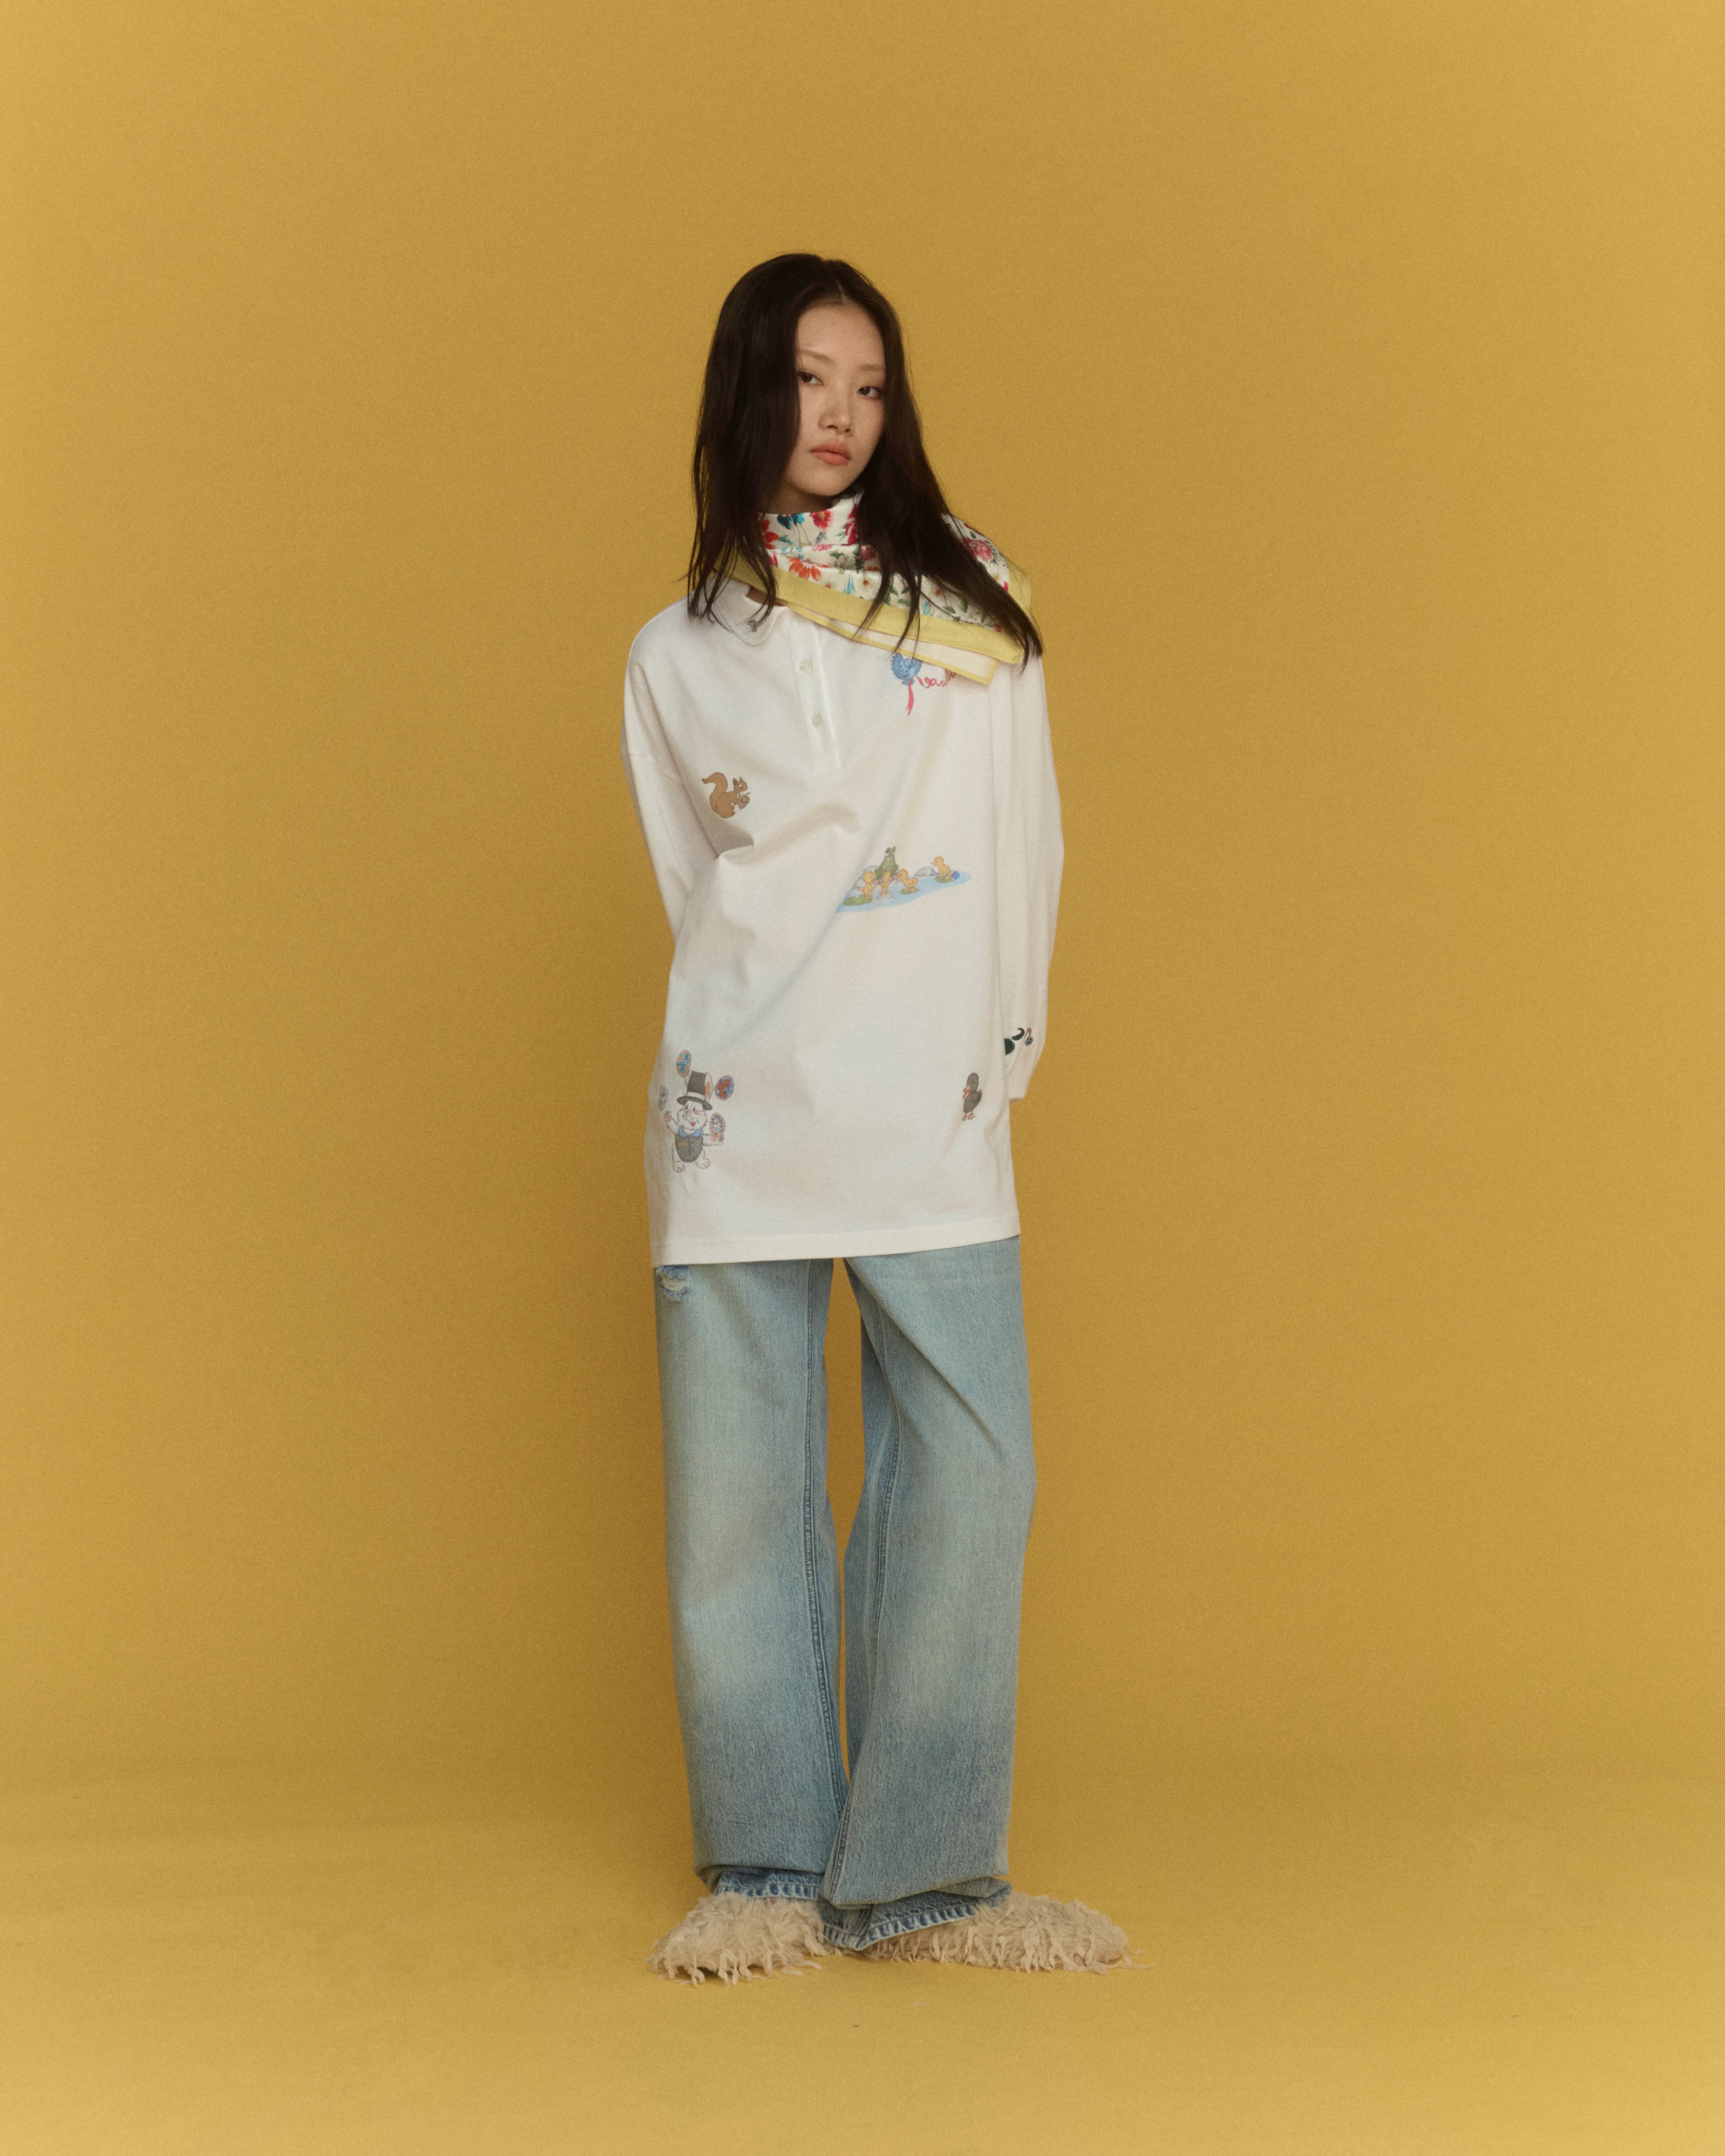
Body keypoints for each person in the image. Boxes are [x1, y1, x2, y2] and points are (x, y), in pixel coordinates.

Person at [619, 254, 1129, 1983]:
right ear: (745, 395)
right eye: (805, 379)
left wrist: (999, 1046)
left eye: (868, 385)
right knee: (738, 1498)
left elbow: (1030, 839)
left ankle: (926, 1878)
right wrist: (761, 1025)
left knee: (973, 1472)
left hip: (931, 1090)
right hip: (741, 1108)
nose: (837, 415)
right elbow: (696, 884)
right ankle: (767, 1868)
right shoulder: (678, 651)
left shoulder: (976, 610)